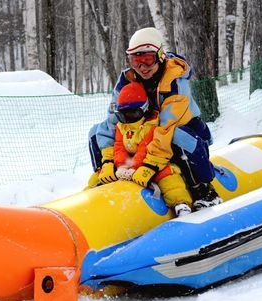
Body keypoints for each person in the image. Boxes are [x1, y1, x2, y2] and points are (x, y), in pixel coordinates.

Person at [88, 27, 222, 210]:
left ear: (160, 56)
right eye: (136, 61)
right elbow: (113, 121)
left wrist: (150, 165)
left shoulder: (175, 82)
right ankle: (108, 179)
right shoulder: (127, 81)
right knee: (96, 132)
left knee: (178, 136)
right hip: (144, 133)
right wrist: (108, 161)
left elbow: (165, 129)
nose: (142, 67)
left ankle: (202, 189)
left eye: (147, 60)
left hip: (182, 134)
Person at [97, 81, 192, 217]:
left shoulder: (152, 125)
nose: (128, 120)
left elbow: (145, 148)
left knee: (168, 176)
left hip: (151, 161)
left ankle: (181, 204)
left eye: (133, 114)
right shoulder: (121, 126)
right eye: (123, 115)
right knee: (101, 174)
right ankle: (88, 196)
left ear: (144, 109)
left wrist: (135, 168)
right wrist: (121, 167)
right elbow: (118, 147)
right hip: (127, 165)